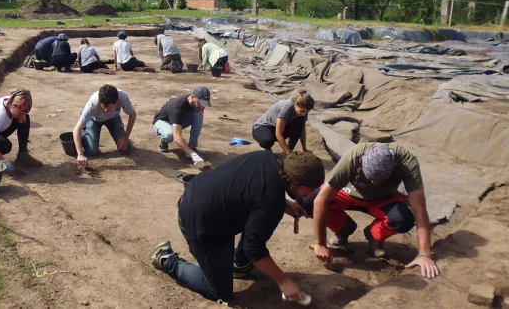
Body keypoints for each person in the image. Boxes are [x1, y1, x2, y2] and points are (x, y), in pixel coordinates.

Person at [150, 151, 325, 303]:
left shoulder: (269, 158)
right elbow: (254, 247)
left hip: (201, 195)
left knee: (259, 223)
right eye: (309, 190)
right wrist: (284, 282)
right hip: (199, 221)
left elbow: (251, 188)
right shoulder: (271, 201)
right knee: (220, 292)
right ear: (295, 182)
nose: (310, 195)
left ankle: (240, 265)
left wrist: (285, 203)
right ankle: (167, 259)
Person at [307, 143, 440, 279]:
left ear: (393, 166)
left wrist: (425, 254)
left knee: (404, 220)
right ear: (363, 159)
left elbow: (419, 210)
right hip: (347, 193)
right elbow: (320, 200)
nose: (373, 182)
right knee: (307, 203)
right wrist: (320, 243)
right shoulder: (353, 157)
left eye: (379, 179)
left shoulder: (407, 162)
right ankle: (343, 229)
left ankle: (374, 235)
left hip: (383, 198)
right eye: (370, 177)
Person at [73, 84, 136, 167]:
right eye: (104, 106)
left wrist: (125, 138)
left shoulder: (122, 97)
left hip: (114, 117)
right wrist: (80, 154)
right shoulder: (93, 103)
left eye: (110, 107)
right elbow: (76, 129)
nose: (106, 110)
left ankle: (121, 136)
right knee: (92, 151)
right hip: (94, 119)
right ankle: (85, 131)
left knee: (125, 149)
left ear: (116, 101)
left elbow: (133, 115)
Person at [153, 86, 211, 169]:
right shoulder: (177, 106)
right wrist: (193, 155)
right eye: (200, 103)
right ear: (192, 97)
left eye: (204, 105)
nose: (202, 107)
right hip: (162, 121)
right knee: (170, 135)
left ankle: (192, 147)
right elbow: (177, 137)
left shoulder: (196, 104)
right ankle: (164, 140)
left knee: (199, 114)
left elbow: (198, 111)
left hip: (178, 120)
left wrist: (191, 151)